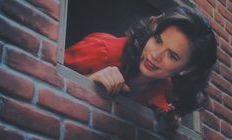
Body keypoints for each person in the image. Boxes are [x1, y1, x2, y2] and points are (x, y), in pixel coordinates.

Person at [64, 6, 217, 127]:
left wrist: (169, 119)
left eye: (172, 55)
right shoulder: (103, 49)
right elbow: (45, 74)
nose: (155, 55)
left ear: (186, 69)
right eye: (157, 40)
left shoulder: (167, 95)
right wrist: (87, 81)